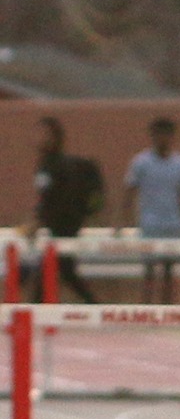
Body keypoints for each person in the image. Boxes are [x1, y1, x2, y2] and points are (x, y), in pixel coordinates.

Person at [120, 117, 180, 304]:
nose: (163, 139)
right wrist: (124, 220)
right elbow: (130, 191)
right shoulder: (140, 162)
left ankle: (167, 309)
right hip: (150, 224)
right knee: (149, 271)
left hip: (174, 224)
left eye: (167, 135)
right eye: (159, 134)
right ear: (152, 136)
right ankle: (147, 309)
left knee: (169, 271)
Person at [28, 116, 99, 304]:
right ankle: (95, 307)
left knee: (52, 271)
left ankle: (35, 312)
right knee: (65, 271)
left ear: (56, 137)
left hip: (64, 226)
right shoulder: (45, 164)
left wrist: (38, 221)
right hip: (57, 226)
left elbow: (55, 198)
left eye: (44, 134)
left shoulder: (57, 165)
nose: (39, 139)